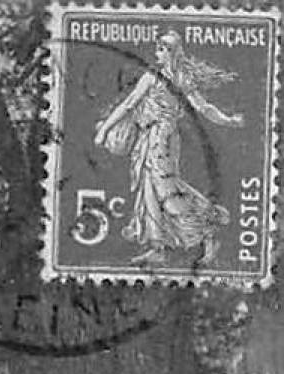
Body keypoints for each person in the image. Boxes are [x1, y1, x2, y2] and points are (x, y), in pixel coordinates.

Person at [93, 31, 244, 266]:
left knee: (166, 191)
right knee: (150, 190)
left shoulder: (163, 78)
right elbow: (130, 104)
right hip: (154, 137)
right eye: (157, 48)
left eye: (162, 49)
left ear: (172, 53)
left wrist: (228, 120)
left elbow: (202, 107)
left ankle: (206, 231)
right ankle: (158, 247)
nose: (157, 53)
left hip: (160, 139)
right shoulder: (163, 77)